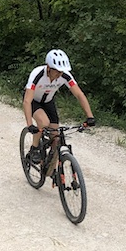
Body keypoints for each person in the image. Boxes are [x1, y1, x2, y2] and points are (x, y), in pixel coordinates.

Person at [22, 49, 95, 177]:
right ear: (49, 68)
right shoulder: (37, 74)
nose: (60, 74)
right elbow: (27, 101)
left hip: (49, 101)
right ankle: (34, 149)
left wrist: (90, 116)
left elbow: (79, 94)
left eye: (62, 71)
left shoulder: (65, 75)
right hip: (34, 101)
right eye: (57, 71)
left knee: (56, 137)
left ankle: (51, 169)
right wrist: (29, 125)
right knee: (44, 122)